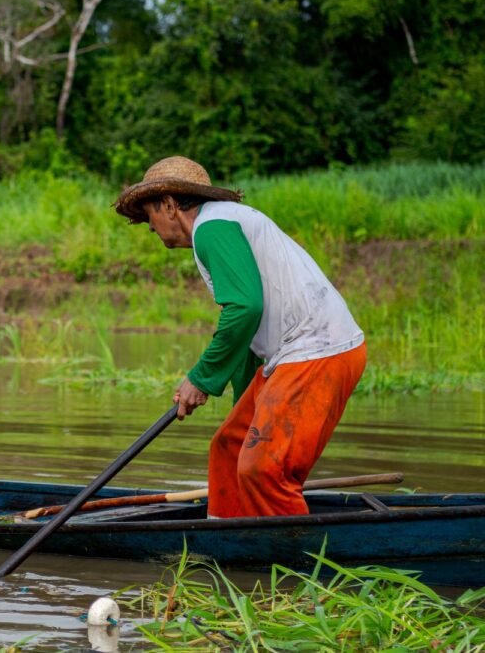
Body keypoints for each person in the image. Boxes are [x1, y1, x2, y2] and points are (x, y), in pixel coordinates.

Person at [114, 156, 366, 518]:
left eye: (149, 216)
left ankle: (293, 561)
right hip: (292, 355)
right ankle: (227, 542)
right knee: (230, 448)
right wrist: (244, 408)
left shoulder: (212, 228)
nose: (150, 228)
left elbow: (245, 308)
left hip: (318, 350)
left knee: (262, 468)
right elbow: (249, 328)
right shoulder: (222, 223)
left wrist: (200, 378)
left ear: (169, 206)